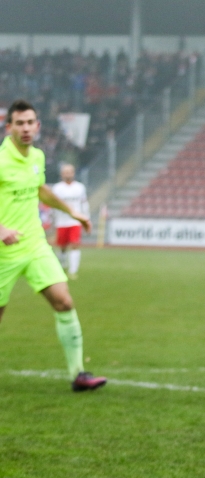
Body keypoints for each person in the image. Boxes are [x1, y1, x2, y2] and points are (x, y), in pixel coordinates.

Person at [0, 100, 105, 391]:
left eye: (30, 122)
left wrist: (73, 213)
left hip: (34, 245)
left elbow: (40, 190)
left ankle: (79, 374)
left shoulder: (37, 157)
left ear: (37, 126)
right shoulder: (1, 160)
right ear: (8, 127)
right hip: (2, 253)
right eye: (19, 123)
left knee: (64, 301)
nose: (25, 128)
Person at [50, 163, 89, 279]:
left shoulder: (80, 187)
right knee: (62, 246)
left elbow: (84, 203)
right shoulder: (57, 188)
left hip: (75, 221)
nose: (67, 174)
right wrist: (53, 219)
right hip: (61, 222)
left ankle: (73, 270)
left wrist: (85, 218)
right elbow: (53, 205)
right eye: (65, 172)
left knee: (75, 244)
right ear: (62, 174)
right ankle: (62, 263)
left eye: (70, 172)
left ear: (73, 173)